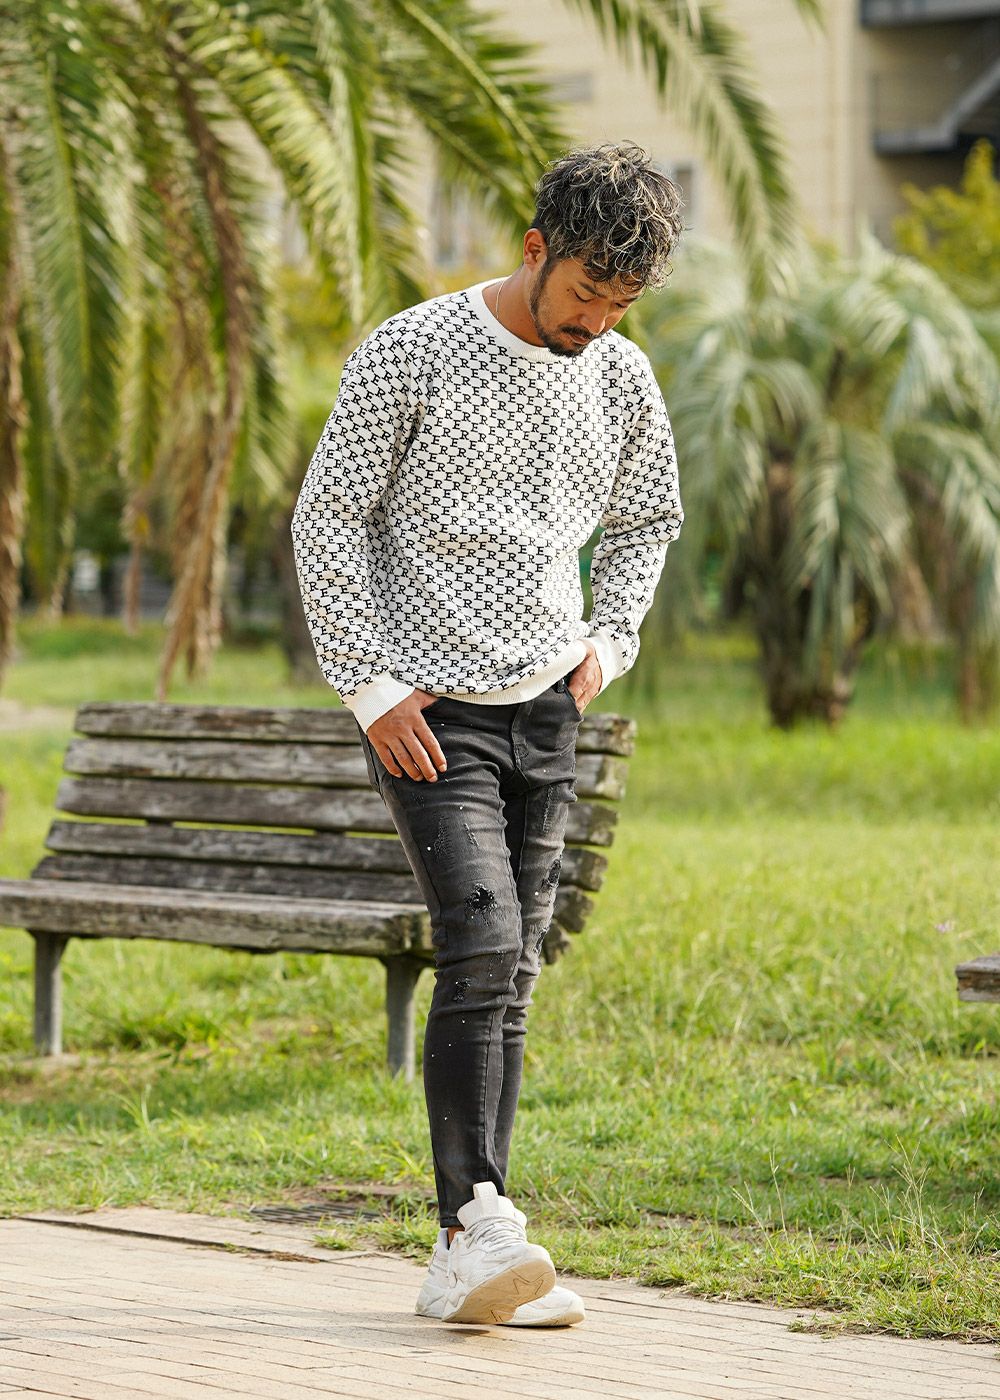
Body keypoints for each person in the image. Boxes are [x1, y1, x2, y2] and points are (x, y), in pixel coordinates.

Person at [291, 140, 685, 1327]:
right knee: (480, 940)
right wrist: (368, 685)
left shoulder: (619, 376)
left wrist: (608, 639)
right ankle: (477, 1226)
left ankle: (470, 1238)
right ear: (533, 249)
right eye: (585, 292)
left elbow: (649, 518)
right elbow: (329, 515)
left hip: (546, 701)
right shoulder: (412, 348)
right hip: (425, 710)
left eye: (620, 305)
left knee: (510, 969)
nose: (596, 322)